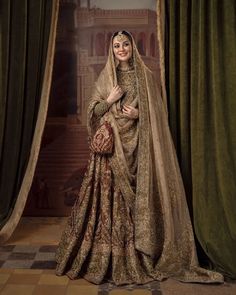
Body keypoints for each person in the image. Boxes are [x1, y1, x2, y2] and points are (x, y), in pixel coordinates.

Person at [55, 31, 223, 285]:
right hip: (111, 153)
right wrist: (109, 101)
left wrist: (137, 115)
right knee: (108, 202)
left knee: (136, 202)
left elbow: (156, 116)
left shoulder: (147, 77)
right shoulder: (106, 77)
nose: (121, 49)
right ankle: (106, 257)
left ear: (133, 46)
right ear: (111, 50)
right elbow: (93, 110)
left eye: (125, 44)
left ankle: (138, 255)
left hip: (139, 151)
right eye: (116, 46)